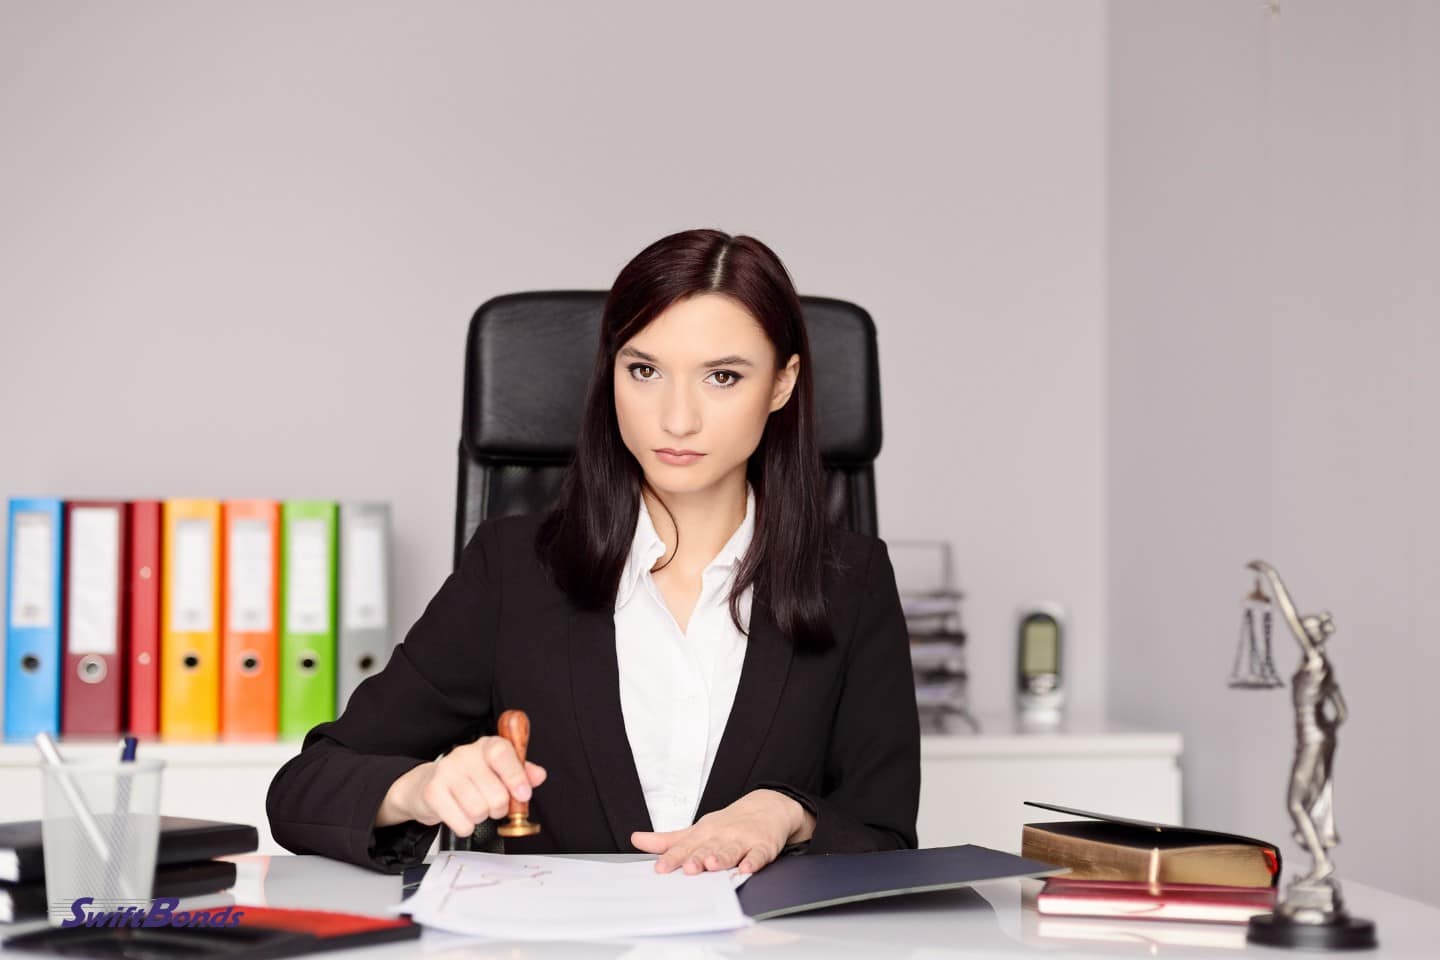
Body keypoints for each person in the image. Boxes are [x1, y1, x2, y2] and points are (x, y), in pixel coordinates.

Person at [266, 228, 921, 877]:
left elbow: (887, 837)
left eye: (722, 376)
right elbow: (303, 790)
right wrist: (422, 787)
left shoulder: (852, 580)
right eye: (644, 370)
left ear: (781, 384)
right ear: (610, 373)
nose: (677, 418)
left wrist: (788, 812)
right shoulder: (513, 569)